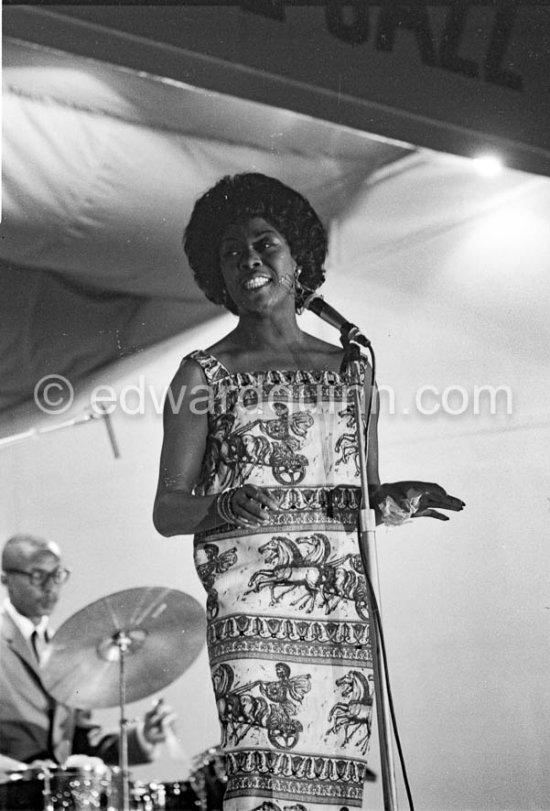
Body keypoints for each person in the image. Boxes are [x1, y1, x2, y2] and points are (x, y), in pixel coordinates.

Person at [153, 172, 465, 810]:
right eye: (231, 253)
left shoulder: (353, 368)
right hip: (253, 609)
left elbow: (361, 496)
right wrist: (221, 505)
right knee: (265, 789)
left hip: (338, 607)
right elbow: (167, 509)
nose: (249, 259)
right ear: (220, 277)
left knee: (335, 789)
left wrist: (395, 498)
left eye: (265, 243)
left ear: (299, 259)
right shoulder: (202, 375)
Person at [0, 533, 174, 770]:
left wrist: (143, 735)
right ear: (5, 579)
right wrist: (19, 771)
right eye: (38, 576)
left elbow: (81, 741)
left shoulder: (64, 650)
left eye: (57, 575)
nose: (50, 587)